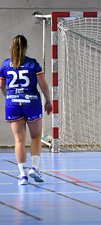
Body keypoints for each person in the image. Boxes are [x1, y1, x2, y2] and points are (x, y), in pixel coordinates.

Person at [0, 35, 52, 185]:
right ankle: (34, 168)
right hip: (31, 102)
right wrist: (48, 101)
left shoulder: (5, 65)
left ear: (12, 48)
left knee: (19, 140)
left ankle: (22, 175)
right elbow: (43, 85)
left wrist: (9, 97)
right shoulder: (33, 64)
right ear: (25, 47)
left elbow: (2, 86)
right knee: (35, 137)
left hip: (13, 103)